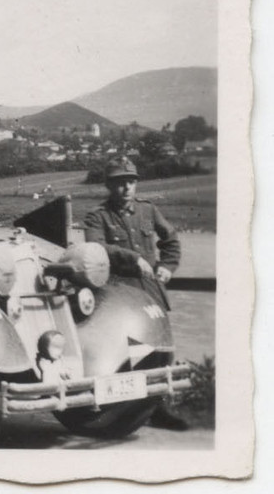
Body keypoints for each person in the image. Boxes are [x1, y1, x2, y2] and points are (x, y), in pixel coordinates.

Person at [82, 156, 188, 431]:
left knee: (161, 349)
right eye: (119, 183)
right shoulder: (98, 215)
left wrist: (167, 266)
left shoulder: (148, 210)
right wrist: (131, 258)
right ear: (109, 186)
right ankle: (126, 410)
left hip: (150, 290)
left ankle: (159, 408)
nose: (126, 188)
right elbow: (96, 247)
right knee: (128, 352)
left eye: (130, 182)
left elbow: (171, 239)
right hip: (119, 293)